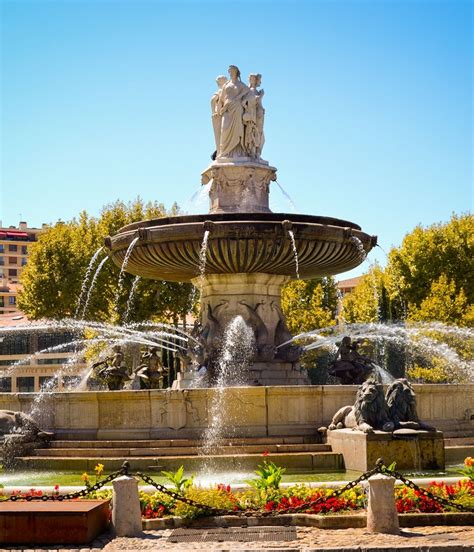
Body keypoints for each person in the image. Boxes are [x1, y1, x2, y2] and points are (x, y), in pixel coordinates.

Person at [218, 65, 249, 158]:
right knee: (224, 129)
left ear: (236, 72)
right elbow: (221, 98)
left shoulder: (240, 84)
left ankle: (237, 151)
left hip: (237, 108)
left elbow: (247, 90)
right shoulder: (226, 84)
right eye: (229, 71)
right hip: (227, 109)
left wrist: (238, 97)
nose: (230, 73)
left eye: (231, 71)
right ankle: (224, 151)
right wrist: (219, 108)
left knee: (238, 129)